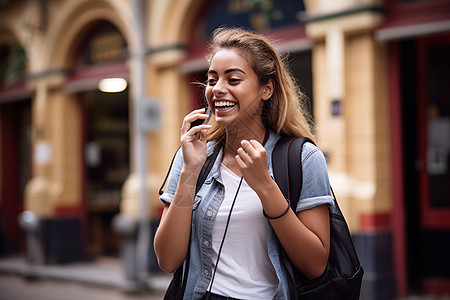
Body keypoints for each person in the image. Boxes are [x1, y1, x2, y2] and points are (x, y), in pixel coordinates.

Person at [154, 27, 334, 300]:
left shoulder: (303, 158)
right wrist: (189, 171)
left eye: (233, 79)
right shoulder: (191, 155)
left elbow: (315, 265)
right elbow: (167, 260)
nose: (218, 89)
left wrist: (265, 186)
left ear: (267, 88)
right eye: (212, 80)